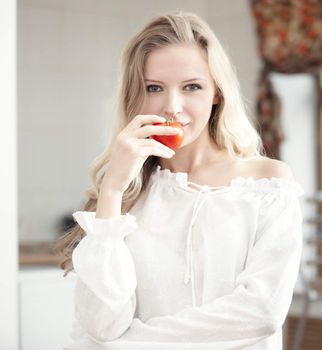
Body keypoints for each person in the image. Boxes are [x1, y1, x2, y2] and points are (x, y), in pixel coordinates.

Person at [55, 11, 304, 350]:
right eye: (154, 88)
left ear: (217, 92)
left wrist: (124, 344)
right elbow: (101, 324)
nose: (172, 107)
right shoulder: (127, 192)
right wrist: (112, 190)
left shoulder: (267, 184)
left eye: (192, 87)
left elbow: (260, 314)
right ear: (136, 95)